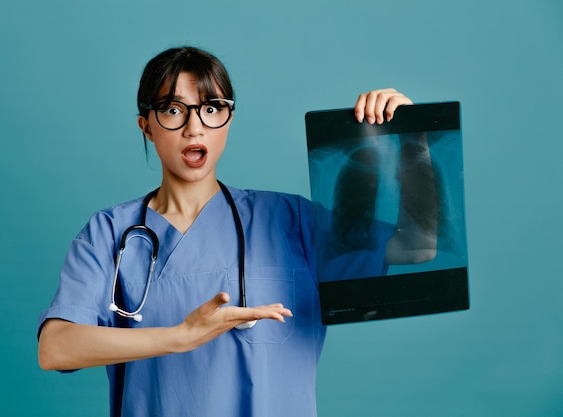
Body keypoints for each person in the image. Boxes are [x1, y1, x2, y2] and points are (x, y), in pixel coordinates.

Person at [37, 46, 428, 417]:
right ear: (147, 126)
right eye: (173, 110)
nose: (195, 128)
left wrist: (414, 140)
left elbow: (417, 247)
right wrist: (181, 336)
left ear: (228, 120)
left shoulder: (290, 220)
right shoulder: (110, 234)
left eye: (211, 109)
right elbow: (55, 348)